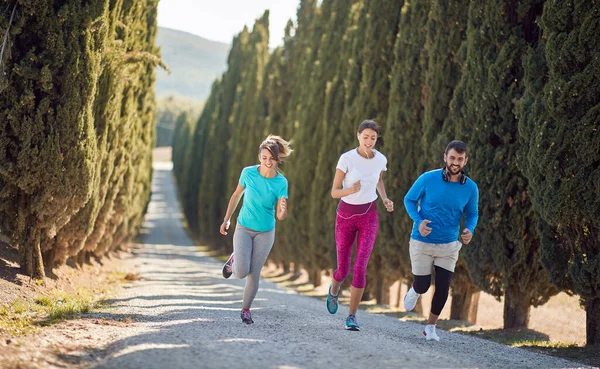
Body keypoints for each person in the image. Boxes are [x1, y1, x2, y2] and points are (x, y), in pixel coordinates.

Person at [402, 140, 479, 341]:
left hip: (449, 244)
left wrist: (469, 229)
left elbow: (472, 214)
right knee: (423, 285)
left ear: (465, 161)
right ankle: (415, 290)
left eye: (460, 159)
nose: (455, 162)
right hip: (422, 241)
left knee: (444, 286)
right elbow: (409, 200)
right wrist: (418, 221)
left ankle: (431, 327)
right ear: (445, 157)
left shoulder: (470, 188)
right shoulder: (428, 179)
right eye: (452, 157)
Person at [326, 120, 394, 331]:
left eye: (373, 138)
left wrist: (384, 198)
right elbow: (334, 192)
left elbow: (378, 180)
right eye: (365, 137)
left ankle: (352, 316)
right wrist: (350, 190)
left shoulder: (380, 159)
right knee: (343, 269)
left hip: (369, 215)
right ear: (358, 136)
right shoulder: (347, 158)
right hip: (345, 215)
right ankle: (334, 288)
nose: (369, 141)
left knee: (360, 266)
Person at [220, 135, 292, 325]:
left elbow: (280, 216)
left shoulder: (281, 182)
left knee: (254, 272)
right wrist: (226, 220)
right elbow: (236, 196)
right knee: (242, 271)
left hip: (266, 231)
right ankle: (234, 259)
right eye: (264, 157)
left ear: (277, 159)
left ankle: (245, 310)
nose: (267, 162)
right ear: (259, 157)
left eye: (271, 158)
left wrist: (283, 210)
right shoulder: (248, 173)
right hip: (244, 227)